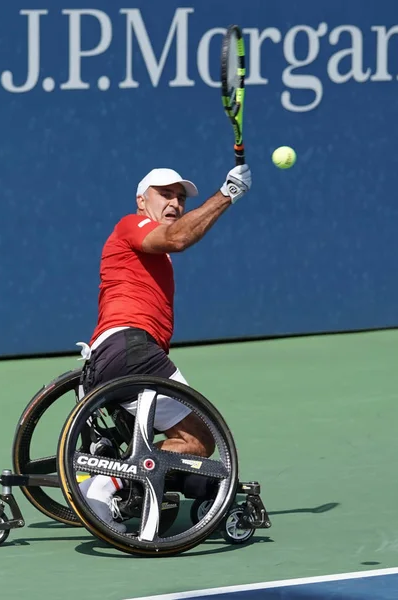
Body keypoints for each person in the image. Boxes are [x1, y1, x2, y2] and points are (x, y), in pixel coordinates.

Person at [76, 163, 252, 531]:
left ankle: (121, 484)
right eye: (165, 194)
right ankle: (105, 484)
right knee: (199, 438)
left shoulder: (153, 251)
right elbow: (177, 238)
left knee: (174, 439)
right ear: (142, 201)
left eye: (181, 197)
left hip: (113, 356)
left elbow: (177, 236)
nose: (175, 202)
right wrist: (227, 195)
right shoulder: (131, 225)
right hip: (130, 350)